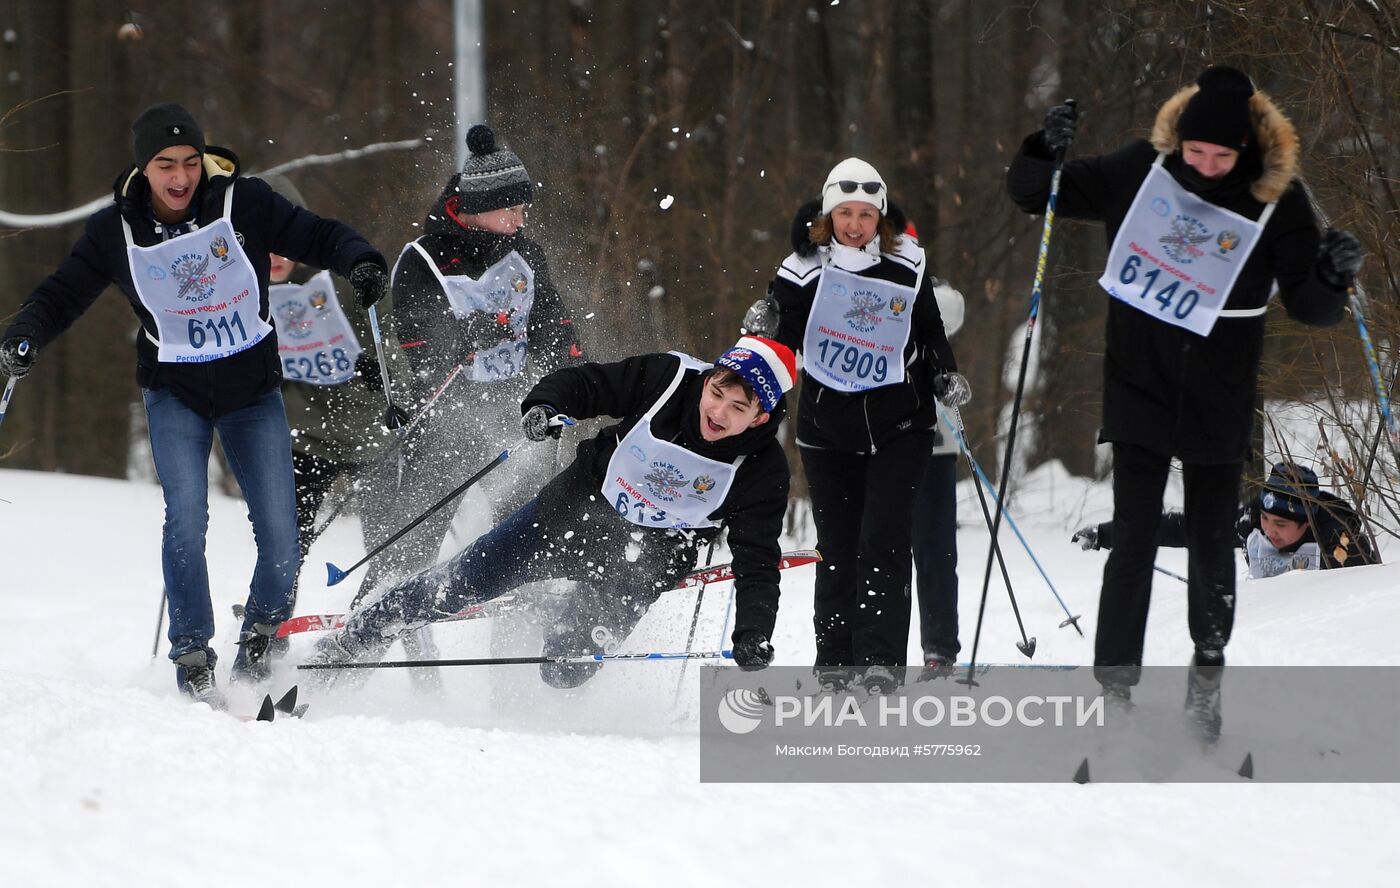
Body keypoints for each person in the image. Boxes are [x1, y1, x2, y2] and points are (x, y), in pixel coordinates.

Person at [1006, 66, 1359, 742]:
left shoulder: (1275, 198)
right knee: (1132, 537)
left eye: (1218, 156)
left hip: (1218, 393)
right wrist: (1042, 149)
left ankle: (1205, 688)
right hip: (1138, 379)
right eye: (1194, 152)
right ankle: (1114, 686)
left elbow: (1313, 310)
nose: (1202, 166)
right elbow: (1035, 197)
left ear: (1247, 151)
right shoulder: (1146, 167)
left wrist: (1332, 275)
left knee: (1206, 541)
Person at [0, 103, 388, 706]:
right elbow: (62, 293)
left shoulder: (246, 203)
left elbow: (318, 235)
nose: (179, 177)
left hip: (251, 393)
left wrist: (360, 258)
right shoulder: (115, 231)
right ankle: (192, 654)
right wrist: (23, 335)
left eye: (188, 162)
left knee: (282, 536)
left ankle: (261, 633)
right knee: (186, 518)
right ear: (143, 169)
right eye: (164, 165)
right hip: (174, 391)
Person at [310, 337, 796, 690]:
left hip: (639, 565)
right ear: (708, 378)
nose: (718, 413)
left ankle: (560, 609)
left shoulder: (762, 471)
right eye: (717, 394)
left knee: (563, 673)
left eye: (738, 408)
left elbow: (757, 559)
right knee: (456, 584)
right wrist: (546, 404)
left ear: (760, 417)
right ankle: (352, 642)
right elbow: (588, 383)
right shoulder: (668, 379)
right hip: (569, 518)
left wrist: (753, 632)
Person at [751, 157, 966, 695]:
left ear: (881, 217)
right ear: (828, 215)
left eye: (866, 214)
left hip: (901, 423)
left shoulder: (908, 261)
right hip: (828, 428)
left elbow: (930, 326)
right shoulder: (804, 266)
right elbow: (779, 336)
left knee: (885, 542)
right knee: (839, 548)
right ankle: (836, 663)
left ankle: (880, 664)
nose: (855, 224)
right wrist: (765, 324)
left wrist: (945, 374)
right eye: (844, 212)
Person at [361, 124, 586, 604]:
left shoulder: (524, 252)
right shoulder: (422, 258)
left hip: (513, 413)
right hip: (446, 418)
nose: (523, 219)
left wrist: (569, 358)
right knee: (411, 546)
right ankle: (365, 625)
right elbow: (418, 346)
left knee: (524, 534)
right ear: (483, 208)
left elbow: (549, 318)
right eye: (515, 209)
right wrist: (465, 336)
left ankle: (517, 627)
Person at [262, 173, 405, 634]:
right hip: (302, 437)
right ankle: (267, 637)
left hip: (369, 436)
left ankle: (390, 646)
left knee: (390, 549)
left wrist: (379, 374)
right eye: (263, 244)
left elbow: (395, 354)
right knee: (284, 546)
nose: (276, 257)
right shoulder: (242, 291)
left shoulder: (340, 274)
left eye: (283, 242)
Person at [1071, 462, 1379, 578]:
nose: (1270, 530)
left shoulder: (1340, 540)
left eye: (1282, 525)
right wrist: (1108, 534)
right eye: (1266, 518)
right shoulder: (1251, 524)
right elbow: (1186, 528)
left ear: (1307, 523)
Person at [913, 277, 967, 680]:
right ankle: (874, 651)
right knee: (877, 552)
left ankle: (940, 650)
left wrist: (923, 287)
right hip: (873, 443)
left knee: (935, 553)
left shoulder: (920, 288)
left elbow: (952, 311)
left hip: (933, 442)